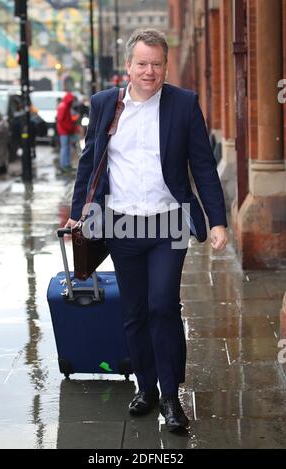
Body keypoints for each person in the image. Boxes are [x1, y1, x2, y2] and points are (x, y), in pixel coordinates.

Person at [65, 29, 228, 432]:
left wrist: (218, 219)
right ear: (128, 67)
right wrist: (77, 213)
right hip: (120, 223)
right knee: (134, 311)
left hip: (168, 221)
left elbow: (204, 165)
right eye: (142, 64)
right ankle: (146, 387)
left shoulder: (183, 104)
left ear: (166, 66)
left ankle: (172, 398)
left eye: (156, 64)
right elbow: (90, 163)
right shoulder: (106, 104)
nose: (149, 72)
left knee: (162, 306)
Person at [56, 92, 76, 171]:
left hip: (65, 130)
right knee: (65, 148)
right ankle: (64, 165)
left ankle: (66, 164)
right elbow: (60, 120)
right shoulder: (63, 106)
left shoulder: (65, 106)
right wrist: (68, 128)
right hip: (64, 131)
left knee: (66, 148)